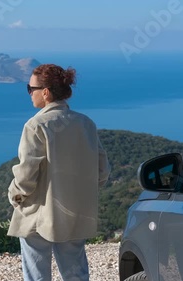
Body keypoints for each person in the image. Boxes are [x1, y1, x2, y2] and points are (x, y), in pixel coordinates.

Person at [7, 64, 111, 281]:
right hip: (76, 211)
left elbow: (27, 175)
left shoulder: (36, 126)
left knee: (37, 275)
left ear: (45, 92)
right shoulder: (86, 124)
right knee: (76, 274)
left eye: (30, 88)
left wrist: (16, 196)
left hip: (38, 213)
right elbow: (102, 171)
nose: (29, 93)